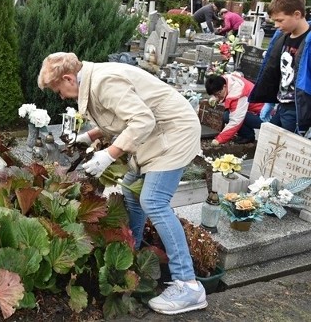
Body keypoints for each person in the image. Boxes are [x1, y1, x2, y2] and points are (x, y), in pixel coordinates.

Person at [37, 52, 206, 315]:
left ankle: (189, 285)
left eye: (59, 89)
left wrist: (110, 154)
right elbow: (119, 117)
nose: (61, 96)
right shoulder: (93, 81)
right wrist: (89, 136)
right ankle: (133, 252)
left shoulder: (104, 82)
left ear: (69, 78)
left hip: (174, 135)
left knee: (154, 201)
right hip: (156, 137)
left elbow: (142, 120)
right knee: (131, 192)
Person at [249, 0, 311, 135]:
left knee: (285, 150)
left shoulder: (308, 42)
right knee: (269, 142)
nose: (276, 25)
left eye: (280, 20)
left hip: (297, 107)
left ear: (297, 14)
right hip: (281, 104)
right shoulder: (282, 37)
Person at [205, 73, 264, 145]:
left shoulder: (238, 93)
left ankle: (248, 136)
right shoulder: (226, 80)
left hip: (264, 117)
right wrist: (217, 98)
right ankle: (247, 134)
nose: (217, 97)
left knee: (228, 116)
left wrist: (219, 139)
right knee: (228, 114)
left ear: (224, 86)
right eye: (214, 95)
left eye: (218, 94)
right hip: (253, 111)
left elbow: (236, 121)